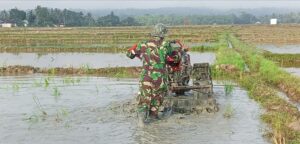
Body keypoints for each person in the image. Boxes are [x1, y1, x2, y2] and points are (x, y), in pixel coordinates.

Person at [126, 23, 179, 123]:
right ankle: (154, 124)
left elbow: (129, 54)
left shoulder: (142, 44)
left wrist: (139, 53)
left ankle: (141, 124)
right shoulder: (166, 45)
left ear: (153, 33)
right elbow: (175, 59)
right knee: (156, 103)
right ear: (163, 34)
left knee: (144, 101)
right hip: (160, 80)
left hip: (146, 78)